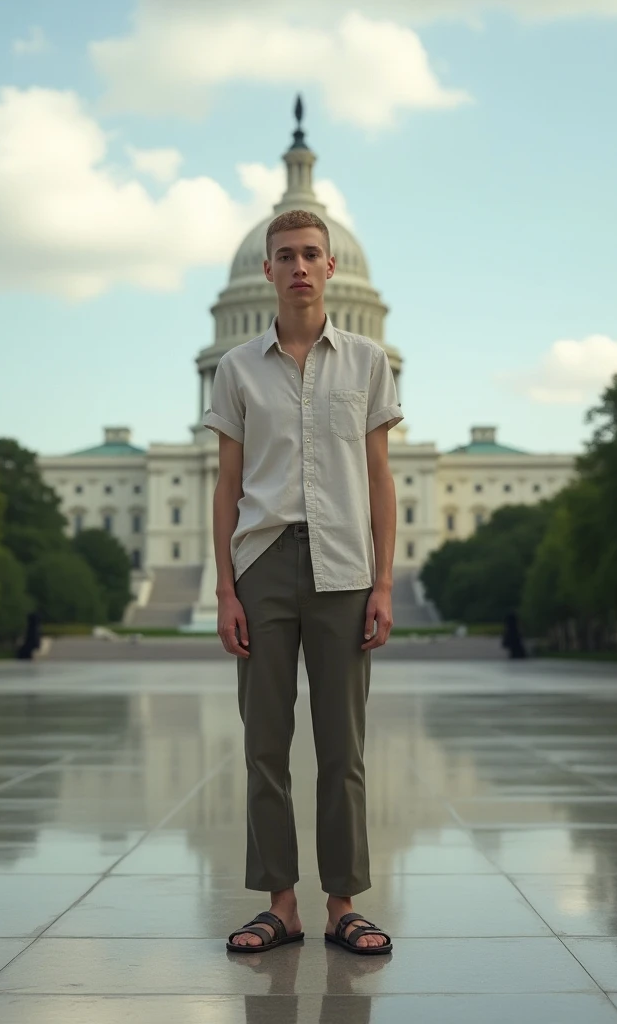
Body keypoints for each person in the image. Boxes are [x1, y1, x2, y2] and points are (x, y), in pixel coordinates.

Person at [203, 208, 403, 956]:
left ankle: (343, 904)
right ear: (266, 272)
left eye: (310, 254)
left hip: (345, 564)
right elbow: (226, 485)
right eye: (283, 255)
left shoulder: (368, 362)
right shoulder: (235, 368)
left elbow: (380, 478)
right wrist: (225, 588)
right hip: (263, 564)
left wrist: (384, 583)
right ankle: (281, 903)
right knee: (265, 743)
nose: (297, 266)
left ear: (330, 269)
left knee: (342, 747)